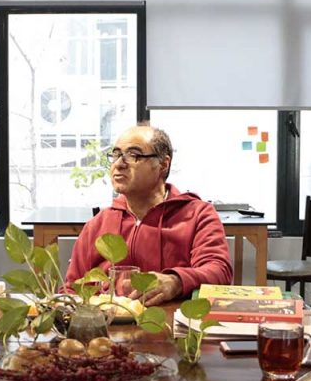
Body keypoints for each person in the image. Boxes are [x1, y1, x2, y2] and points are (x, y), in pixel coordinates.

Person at [64, 124, 232, 305]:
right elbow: (72, 290)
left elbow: (219, 271)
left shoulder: (198, 214)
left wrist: (175, 281)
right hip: (108, 321)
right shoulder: (98, 224)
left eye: (133, 155)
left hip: (172, 321)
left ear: (163, 164)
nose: (119, 164)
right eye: (116, 155)